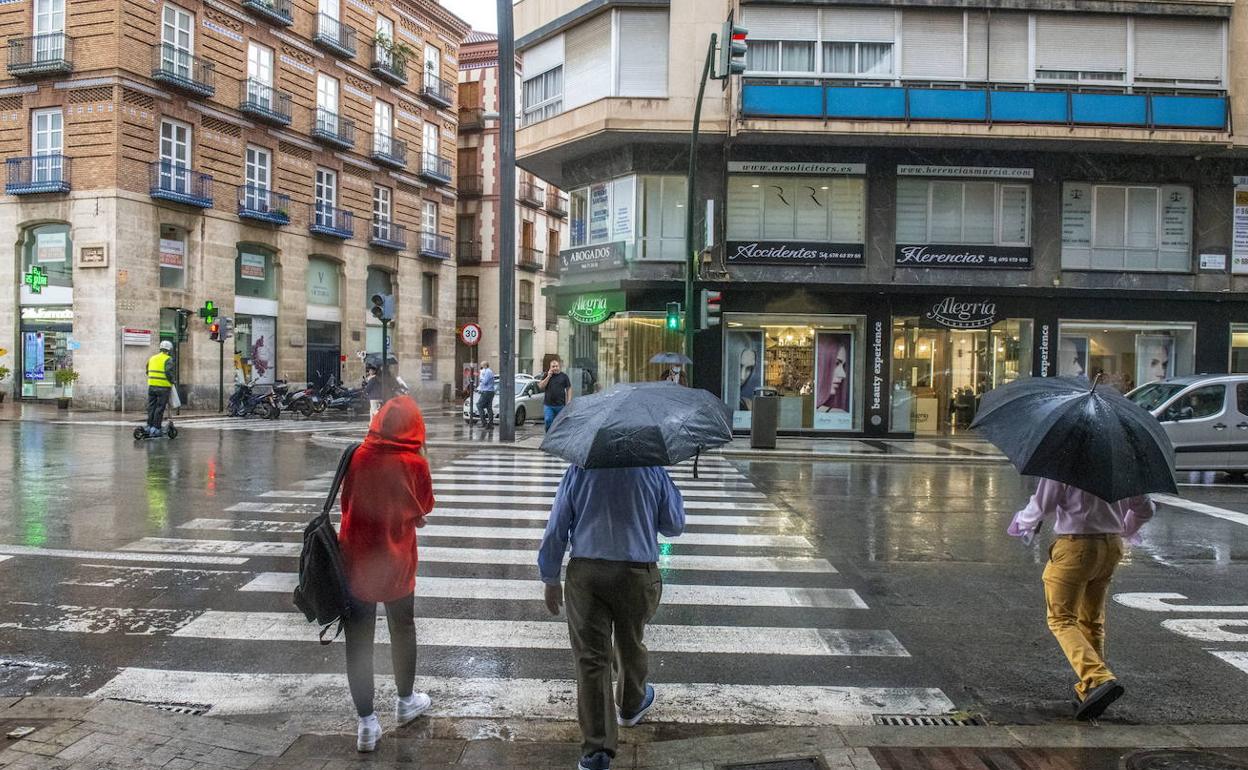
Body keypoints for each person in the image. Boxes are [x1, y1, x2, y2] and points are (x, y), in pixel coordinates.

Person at [537, 465, 686, 770]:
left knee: (592, 659)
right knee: (631, 640)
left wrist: (550, 576)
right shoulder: (651, 470)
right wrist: (670, 489)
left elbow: (557, 526)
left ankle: (597, 751)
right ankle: (631, 704)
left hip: (587, 575)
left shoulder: (579, 471)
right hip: (637, 573)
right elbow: (674, 525)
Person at [1008, 478, 1155, 722]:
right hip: (1111, 547)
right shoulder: (1122, 466)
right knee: (1092, 620)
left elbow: (1043, 505)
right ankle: (1090, 690)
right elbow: (1146, 509)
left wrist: (1021, 522)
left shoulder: (1066, 464)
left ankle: (1097, 678)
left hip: (1076, 546)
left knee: (1062, 619)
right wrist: (1125, 530)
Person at [337, 396, 435, 752]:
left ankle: (365, 724)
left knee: (358, 641)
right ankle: (406, 701)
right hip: (396, 560)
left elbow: (347, 503)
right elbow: (421, 510)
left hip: (357, 559)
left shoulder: (357, 456)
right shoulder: (414, 464)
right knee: (402, 627)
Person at [145, 340, 176, 436]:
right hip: (163, 387)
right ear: (169, 350)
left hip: (151, 386)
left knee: (151, 407)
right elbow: (168, 372)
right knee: (160, 408)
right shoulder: (168, 359)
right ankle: (156, 428)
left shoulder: (152, 358)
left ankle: (149, 426)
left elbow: (147, 371)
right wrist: (172, 381)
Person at [538, 359, 573, 430]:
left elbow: (569, 388)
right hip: (548, 405)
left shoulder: (564, 376)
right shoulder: (546, 375)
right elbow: (541, 386)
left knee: (560, 423)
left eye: (556, 366)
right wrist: (548, 376)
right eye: (553, 366)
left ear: (559, 366)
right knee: (548, 420)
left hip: (560, 405)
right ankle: (548, 436)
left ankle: (557, 438)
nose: (555, 368)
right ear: (550, 368)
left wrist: (569, 401)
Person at [476, 361, 496, 428]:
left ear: (485, 365)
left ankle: (484, 423)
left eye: (482, 366)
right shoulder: (488, 371)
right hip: (490, 391)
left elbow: (485, 382)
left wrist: (481, 378)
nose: (481, 367)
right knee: (488, 407)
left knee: (479, 405)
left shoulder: (487, 372)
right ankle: (490, 424)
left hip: (487, 392)